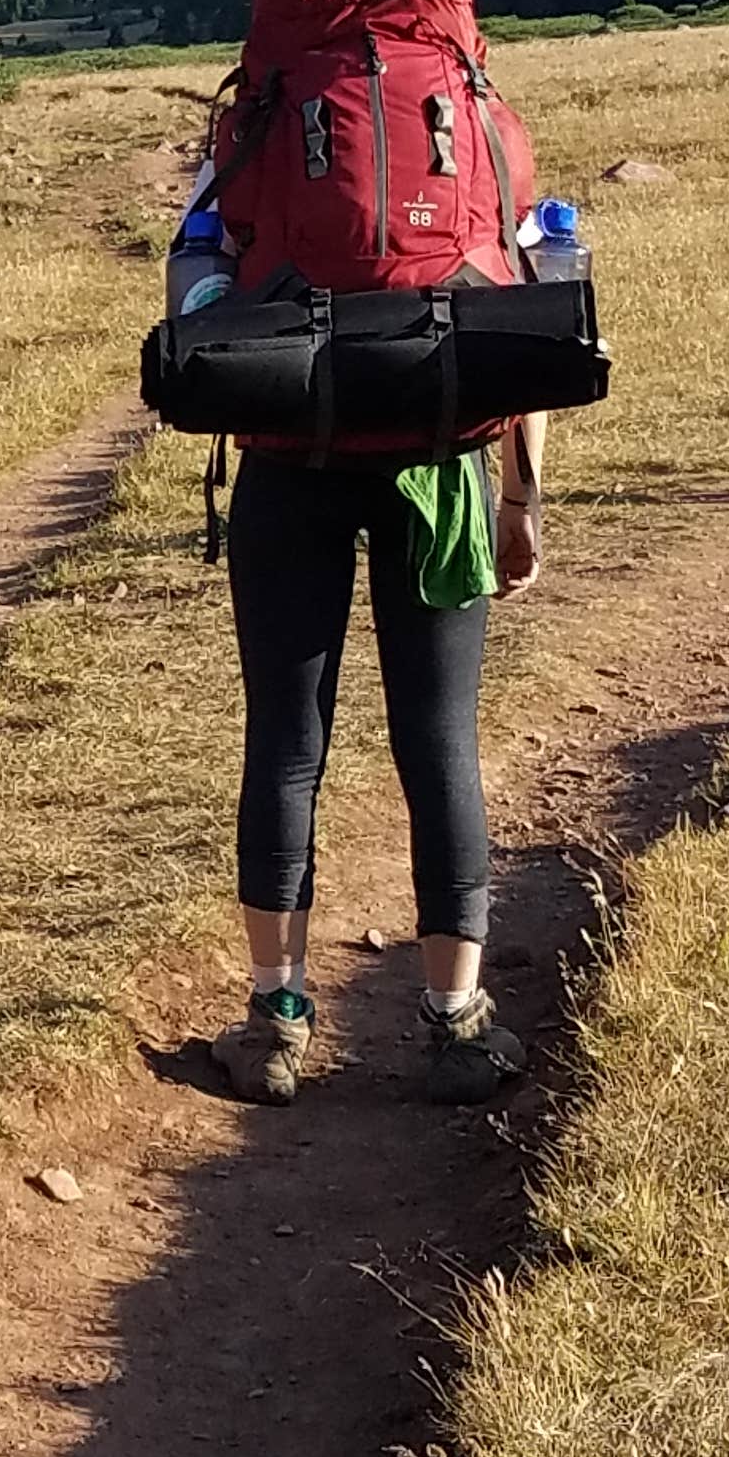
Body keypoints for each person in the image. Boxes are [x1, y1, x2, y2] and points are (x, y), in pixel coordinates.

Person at [210, 404, 545, 1107]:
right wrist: (518, 500)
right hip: (441, 461)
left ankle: (275, 1022)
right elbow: (525, 344)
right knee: (440, 738)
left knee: (283, 740)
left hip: (285, 461)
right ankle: (458, 1023)